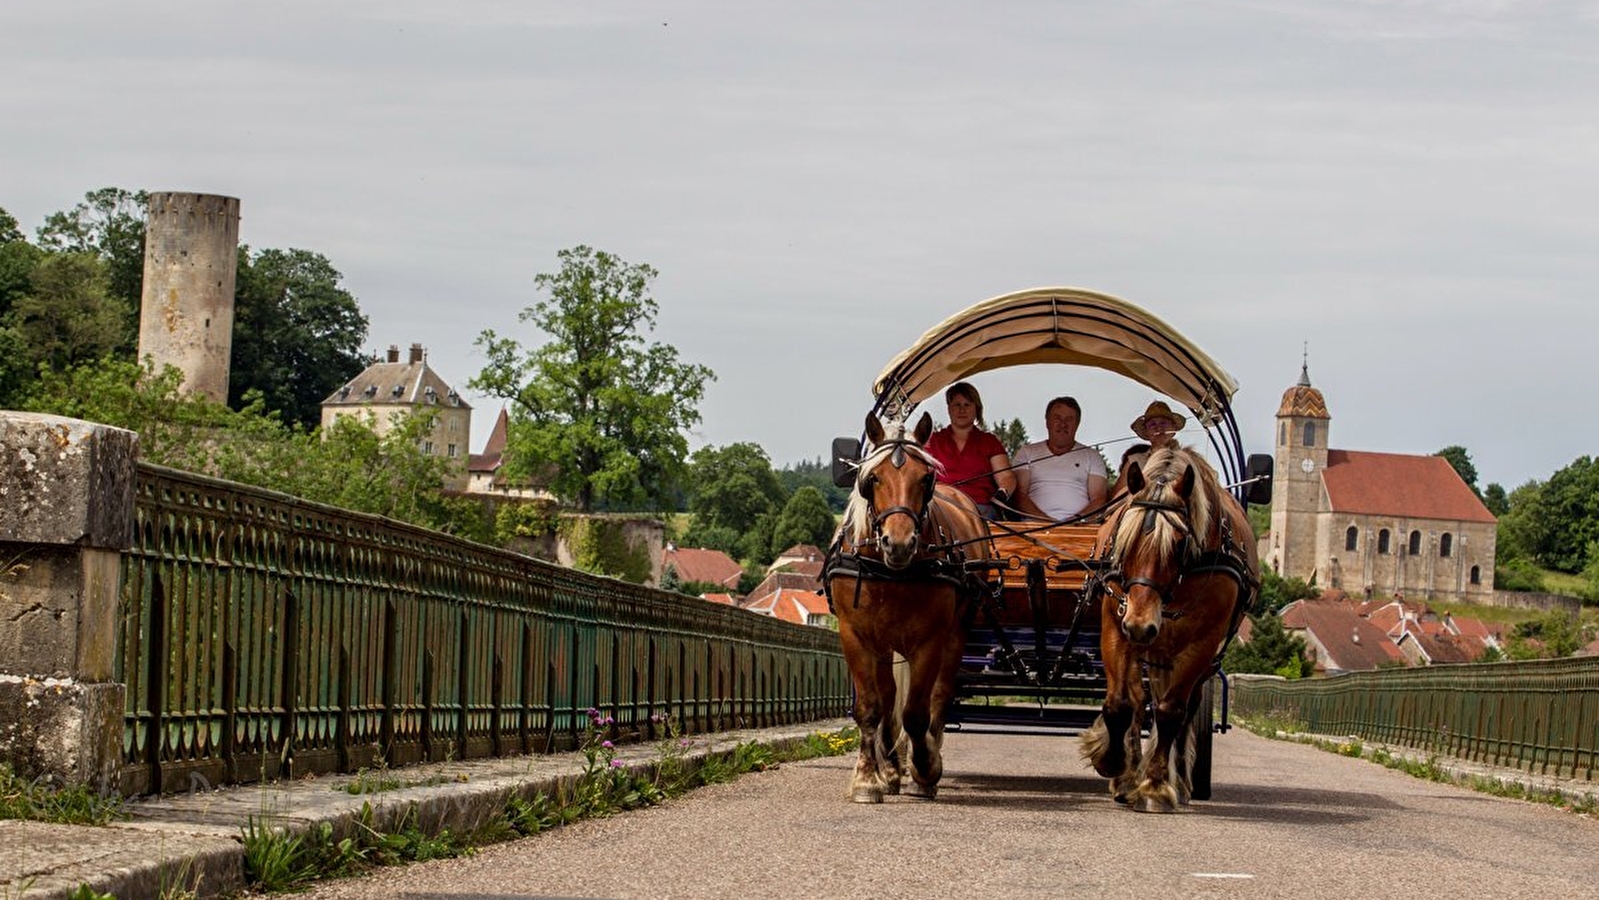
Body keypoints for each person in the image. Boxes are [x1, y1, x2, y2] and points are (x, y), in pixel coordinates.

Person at [923, 381, 1016, 519]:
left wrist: (1002, 493)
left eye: (967, 405)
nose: (962, 410)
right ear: (949, 409)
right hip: (942, 508)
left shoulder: (989, 442)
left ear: (976, 409)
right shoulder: (933, 441)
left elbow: (1006, 477)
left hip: (980, 509)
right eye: (957, 405)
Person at [1013, 396, 1108, 520]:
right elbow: (1019, 495)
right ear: (1047, 422)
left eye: (1069, 419)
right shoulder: (1027, 452)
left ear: (1077, 424)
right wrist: (1044, 520)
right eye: (1057, 418)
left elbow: (1099, 498)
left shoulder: (1092, 456)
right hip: (1033, 528)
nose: (1063, 424)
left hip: (1079, 528)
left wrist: (1075, 521)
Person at [1121, 400, 1187, 474]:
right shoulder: (1135, 461)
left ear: (1173, 428)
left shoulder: (1188, 460)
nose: (1158, 428)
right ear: (1146, 432)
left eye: (1163, 423)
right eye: (1152, 424)